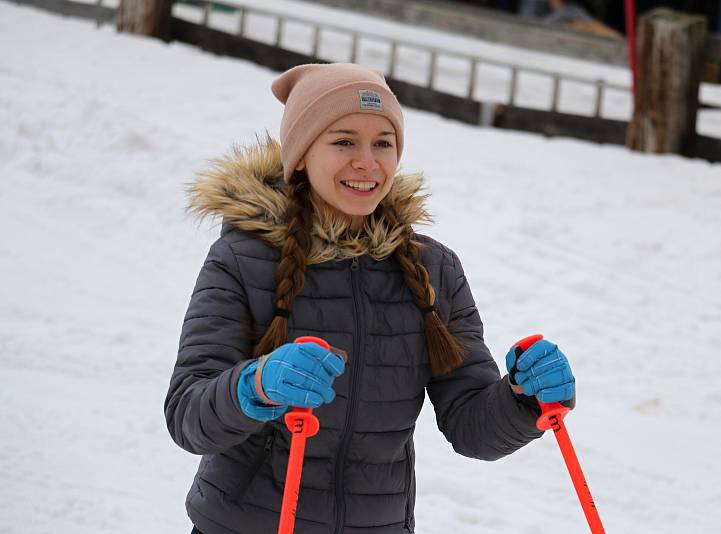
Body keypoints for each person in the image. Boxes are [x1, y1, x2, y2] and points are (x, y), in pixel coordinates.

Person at [165, 62, 576, 534]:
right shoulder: (243, 260)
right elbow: (188, 414)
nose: (367, 162)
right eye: (343, 142)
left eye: (383, 143)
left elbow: (471, 426)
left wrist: (522, 399)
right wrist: (253, 386)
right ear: (300, 154)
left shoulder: (433, 270)